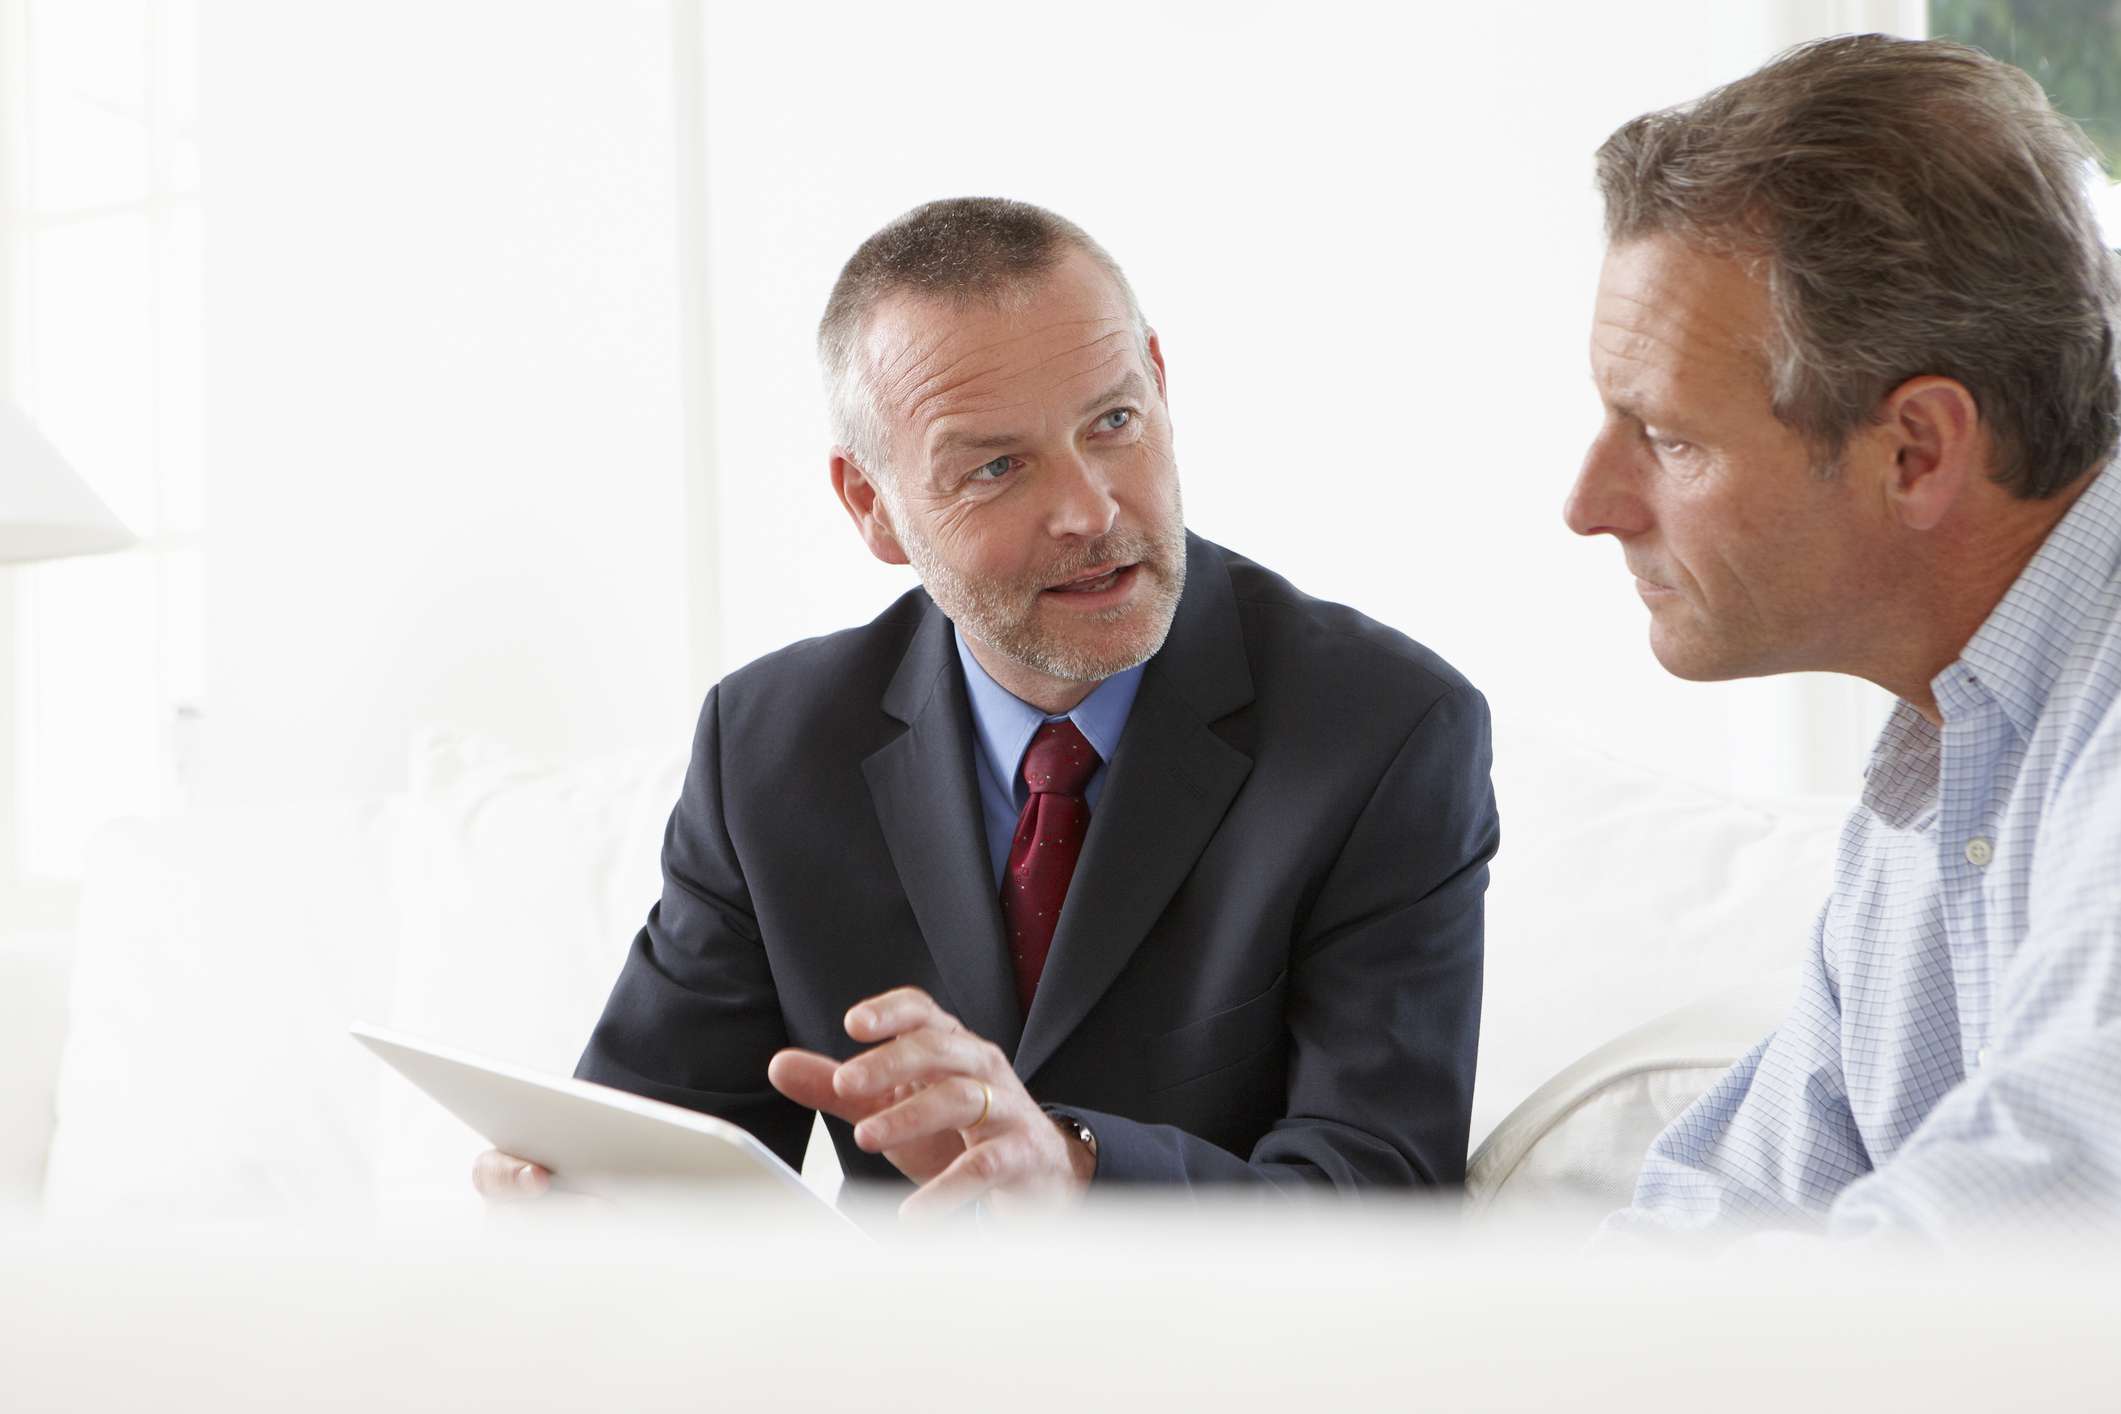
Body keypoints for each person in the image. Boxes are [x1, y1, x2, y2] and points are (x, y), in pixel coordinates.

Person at [475, 197, 1497, 1218]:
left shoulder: (1388, 732)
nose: (1090, 511)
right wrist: (578, 1198)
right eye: (998, 467)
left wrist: (1076, 1170)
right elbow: (674, 1151)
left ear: (1161, 385)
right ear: (871, 505)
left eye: (1114, 422)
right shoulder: (769, 747)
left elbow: (1380, 1205)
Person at [1566, 35, 2121, 1242]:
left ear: (1917, 450)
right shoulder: (1941, 763)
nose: (1589, 503)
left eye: (1665, 436)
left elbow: (2038, 1229)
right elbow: (1718, 1212)